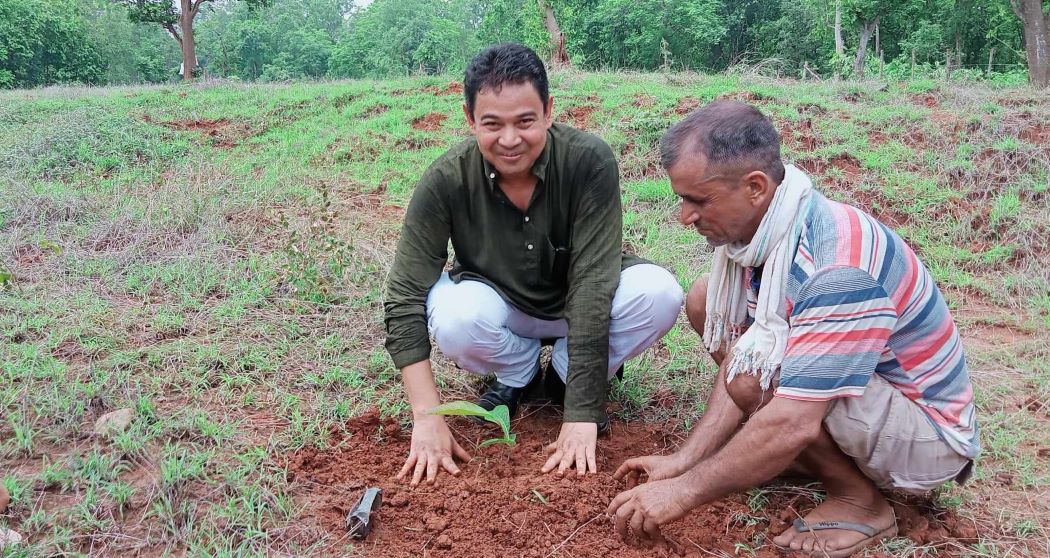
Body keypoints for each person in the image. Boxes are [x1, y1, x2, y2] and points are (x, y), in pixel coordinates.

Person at [607, 100, 979, 558]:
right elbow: (750, 348)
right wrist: (686, 460)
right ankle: (807, 458)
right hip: (870, 400)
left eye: (698, 200)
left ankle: (861, 503)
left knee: (755, 382)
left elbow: (774, 404)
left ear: (756, 187)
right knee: (707, 299)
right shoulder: (765, 234)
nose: (685, 216)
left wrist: (682, 492)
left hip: (928, 438)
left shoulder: (836, 267)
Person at [384, 43, 683, 487]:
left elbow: (592, 282)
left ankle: (565, 377)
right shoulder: (446, 180)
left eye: (525, 121)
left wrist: (582, 413)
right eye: (492, 124)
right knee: (453, 317)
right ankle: (518, 372)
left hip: (578, 305)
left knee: (660, 293)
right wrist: (427, 416)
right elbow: (405, 294)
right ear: (469, 120)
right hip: (502, 307)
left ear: (547, 110)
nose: (509, 140)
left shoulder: (588, 161)